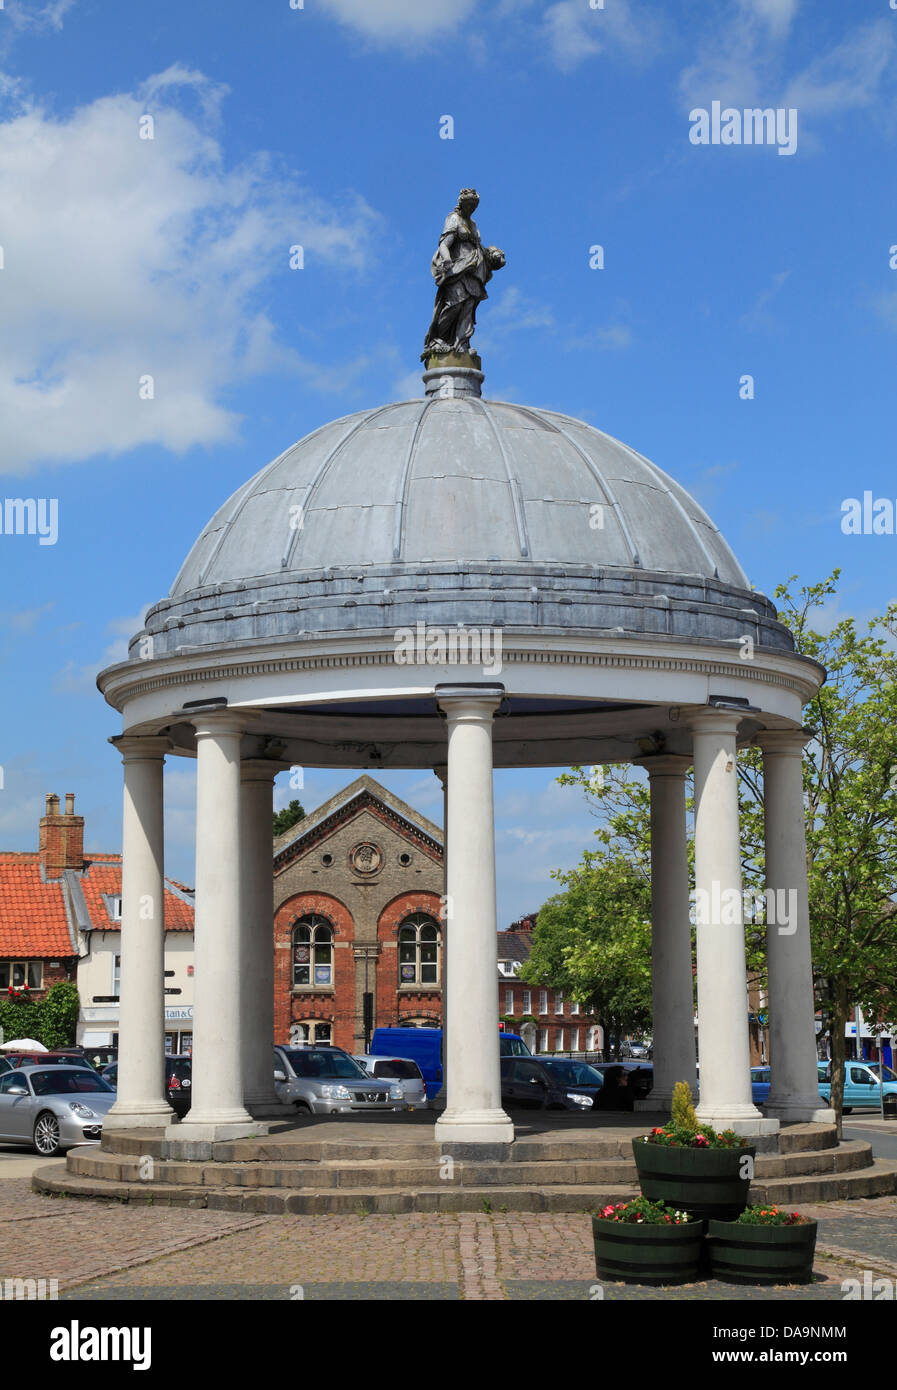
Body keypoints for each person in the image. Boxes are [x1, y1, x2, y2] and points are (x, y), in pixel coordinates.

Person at [422, 188, 505, 360]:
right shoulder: (454, 219)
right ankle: (438, 339)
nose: (472, 207)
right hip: (457, 269)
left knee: (468, 308)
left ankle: (461, 345)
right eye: (469, 204)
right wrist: (446, 260)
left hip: (474, 272)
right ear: (462, 203)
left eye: (474, 205)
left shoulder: (473, 224)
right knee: (454, 304)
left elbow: (478, 248)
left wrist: (493, 255)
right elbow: (445, 244)